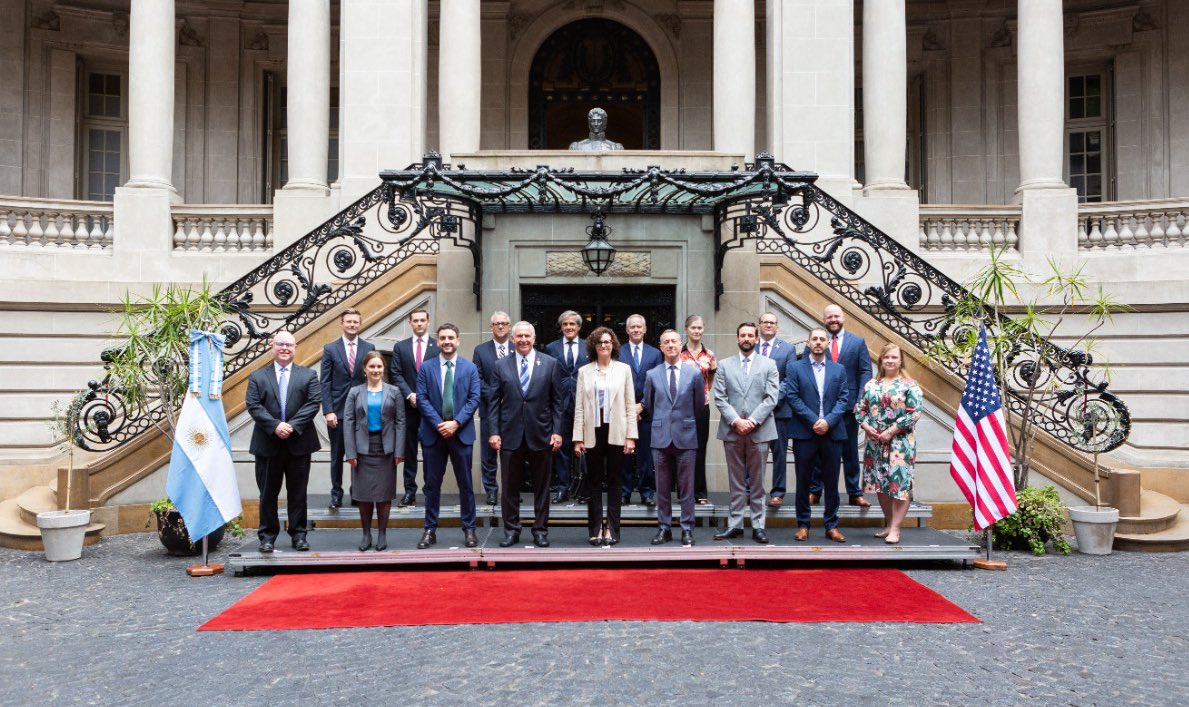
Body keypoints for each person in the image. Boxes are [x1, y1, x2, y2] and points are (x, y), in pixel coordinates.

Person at [488, 322, 566, 547]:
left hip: (541, 433)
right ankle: (511, 530)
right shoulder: (500, 365)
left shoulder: (550, 364)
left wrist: (557, 432)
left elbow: (557, 403)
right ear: (513, 339)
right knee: (510, 487)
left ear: (534, 337)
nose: (523, 339)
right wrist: (493, 431)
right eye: (519, 336)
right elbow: (493, 403)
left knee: (542, 486)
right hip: (510, 434)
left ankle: (540, 530)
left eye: (527, 336)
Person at [245, 331, 322, 553]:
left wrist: (292, 426)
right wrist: (275, 426)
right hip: (268, 445)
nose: (285, 348)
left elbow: (313, 403)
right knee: (267, 493)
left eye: (289, 344)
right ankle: (267, 537)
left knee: (298, 493)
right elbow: (253, 406)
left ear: (295, 347)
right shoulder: (257, 376)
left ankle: (299, 535)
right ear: (272, 347)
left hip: (299, 443)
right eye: (280, 344)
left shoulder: (308, 375)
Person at [414, 323, 481, 549]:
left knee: (466, 484)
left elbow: (474, 399)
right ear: (438, 341)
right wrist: (439, 424)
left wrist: (456, 423)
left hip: (460, 434)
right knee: (432, 485)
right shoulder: (426, 367)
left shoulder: (469, 368)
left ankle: (469, 529)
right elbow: (421, 399)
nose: (447, 341)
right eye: (443, 338)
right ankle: (429, 530)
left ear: (458, 340)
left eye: (451, 337)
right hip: (434, 435)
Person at [711, 322, 779, 544]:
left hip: (759, 430)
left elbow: (771, 398)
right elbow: (720, 397)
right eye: (743, 335)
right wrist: (736, 421)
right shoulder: (724, 365)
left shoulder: (769, 364)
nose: (747, 338)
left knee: (758, 482)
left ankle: (758, 525)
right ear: (737, 338)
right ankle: (735, 524)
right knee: (736, 481)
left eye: (751, 335)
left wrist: (751, 421)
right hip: (732, 431)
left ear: (757, 339)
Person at [784, 328, 851, 543]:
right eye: (815, 339)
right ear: (808, 342)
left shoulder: (839, 369)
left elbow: (844, 398)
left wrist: (828, 421)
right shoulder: (795, 367)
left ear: (827, 343)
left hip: (832, 433)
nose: (819, 342)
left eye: (822, 339)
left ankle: (831, 525)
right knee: (803, 481)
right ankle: (803, 525)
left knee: (832, 482)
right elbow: (792, 397)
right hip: (805, 432)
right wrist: (814, 421)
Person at [573, 327, 637, 545]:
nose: (604, 345)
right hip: (592, 431)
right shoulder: (584, 371)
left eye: (608, 342)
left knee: (615, 481)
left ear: (613, 345)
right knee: (594, 482)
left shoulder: (624, 369)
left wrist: (631, 437)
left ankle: (612, 528)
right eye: (600, 342)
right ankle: (595, 528)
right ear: (593, 346)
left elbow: (630, 405)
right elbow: (579, 407)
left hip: (617, 430)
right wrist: (578, 438)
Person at [641, 329, 704, 546]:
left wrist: (684, 422)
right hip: (660, 438)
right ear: (661, 347)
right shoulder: (652, 374)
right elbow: (648, 404)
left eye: (674, 342)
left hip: (686, 437)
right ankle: (664, 528)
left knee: (686, 488)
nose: (670, 345)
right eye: (666, 342)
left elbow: (698, 405)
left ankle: (687, 528)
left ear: (681, 345)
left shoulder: (693, 374)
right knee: (663, 487)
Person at [856, 344, 923, 545]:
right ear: (881, 360)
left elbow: (915, 412)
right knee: (880, 484)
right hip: (875, 441)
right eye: (887, 357)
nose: (890, 360)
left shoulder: (909, 385)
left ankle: (896, 528)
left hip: (899, 443)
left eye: (894, 357)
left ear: (901, 360)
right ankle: (889, 524)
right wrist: (868, 428)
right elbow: (861, 410)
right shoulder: (871, 385)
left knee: (899, 484)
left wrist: (891, 431)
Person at [810, 304, 872, 508]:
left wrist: (860, 400)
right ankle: (815, 492)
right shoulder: (815, 342)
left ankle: (855, 493)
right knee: (819, 452)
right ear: (824, 319)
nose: (833, 320)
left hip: (849, 408)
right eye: (829, 317)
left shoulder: (858, 342)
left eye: (836, 316)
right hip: (821, 408)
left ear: (843, 317)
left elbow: (865, 372)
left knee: (850, 451)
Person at [342, 351, 405, 551]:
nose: (376, 370)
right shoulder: (355, 392)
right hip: (362, 450)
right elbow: (348, 423)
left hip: (386, 449)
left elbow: (401, 422)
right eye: (372, 367)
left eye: (379, 367)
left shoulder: (394, 391)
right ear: (364, 369)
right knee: (363, 495)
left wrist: (399, 451)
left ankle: (382, 534)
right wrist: (350, 453)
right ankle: (366, 534)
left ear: (383, 369)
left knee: (384, 495)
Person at [319, 308, 374, 508]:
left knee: (359, 454)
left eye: (355, 322)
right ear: (342, 323)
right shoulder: (330, 349)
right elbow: (324, 382)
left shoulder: (369, 347)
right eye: (349, 321)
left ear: (360, 324)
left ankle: (357, 494)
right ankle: (336, 495)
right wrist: (328, 410)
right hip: (338, 412)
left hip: (361, 412)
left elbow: (371, 380)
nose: (352, 325)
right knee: (337, 455)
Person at [390, 308, 438, 507]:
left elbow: (440, 375)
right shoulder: (400, 347)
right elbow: (395, 373)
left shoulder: (438, 346)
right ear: (410, 323)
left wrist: (424, 398)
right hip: (407, 407)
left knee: (430, 450)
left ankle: (430, 491)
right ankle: (410, 491)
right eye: (415, 320)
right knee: (409, 450)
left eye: (422, 320)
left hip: (431, 408)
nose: (419, 324)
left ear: (428, 322)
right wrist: (410, 394)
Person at [619, 313, 662, 506]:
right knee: (624, 454)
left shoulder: (655, 354)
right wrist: (630, 408)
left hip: (648, 411)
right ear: (627, 330)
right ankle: (624, 492)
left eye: (639, 327)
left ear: (645, 329)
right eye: (632, 327)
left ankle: (646, 492)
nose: (636, 330)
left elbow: (658, 382)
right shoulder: (618, 352)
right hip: (623, 411)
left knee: (646, 454)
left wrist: (642, 405)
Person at [545, 310, 588, 503]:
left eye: (572, 324)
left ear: (579, 327)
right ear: (561, 327)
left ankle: (582, 489)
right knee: (561, 447)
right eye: (565, 324)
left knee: (584, 446)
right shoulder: (551, 348)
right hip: (559, 404)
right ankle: (563, 488)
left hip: (584, 404)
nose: (569, 327)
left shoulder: (590, 346)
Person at [756, 312, 797, 508]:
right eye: (765, 322)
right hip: (754, 411)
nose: (769, 325)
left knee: (779, 453)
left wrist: (771, 401)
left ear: (777, 327)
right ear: (759, 325)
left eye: (772, 323)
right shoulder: (751, 346)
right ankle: (753, 490)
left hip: (779, 410)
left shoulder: (787, 349)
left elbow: (789, 379)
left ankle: (778, 493)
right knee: (755, 452)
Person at [472, 311, 513, 506]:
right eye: (497, 324)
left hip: (514, 412)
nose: (500, 327)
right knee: (488, 453)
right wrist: (496, 395)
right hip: (490, 409)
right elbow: (477, 379)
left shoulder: (518, 347)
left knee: (512, 452)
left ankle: (511, 491)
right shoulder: (481, 351)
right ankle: (491, 491)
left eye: (504, 323)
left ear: (509, 326)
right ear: (491, 327)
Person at [679, 314, 716, 504]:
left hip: (702, 406)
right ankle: (684, 492)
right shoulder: (678, 353)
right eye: (693, 328)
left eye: (700, 328)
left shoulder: (709, 355)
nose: (697, 331)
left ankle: (700, 493)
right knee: (682, 448)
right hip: (681, 407)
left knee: (700, 448)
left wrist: (702, 394)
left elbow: (709, 380)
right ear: (686, 330)